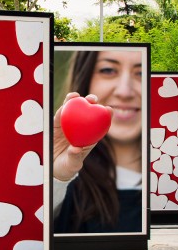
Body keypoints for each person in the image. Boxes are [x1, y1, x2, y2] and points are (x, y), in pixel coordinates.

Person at [52, 49, 144, 234]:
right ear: (85, 78)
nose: (125, 92)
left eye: (140, 73)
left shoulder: (161, 181)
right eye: (108, 70)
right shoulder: (70, 186)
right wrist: (56, 178)